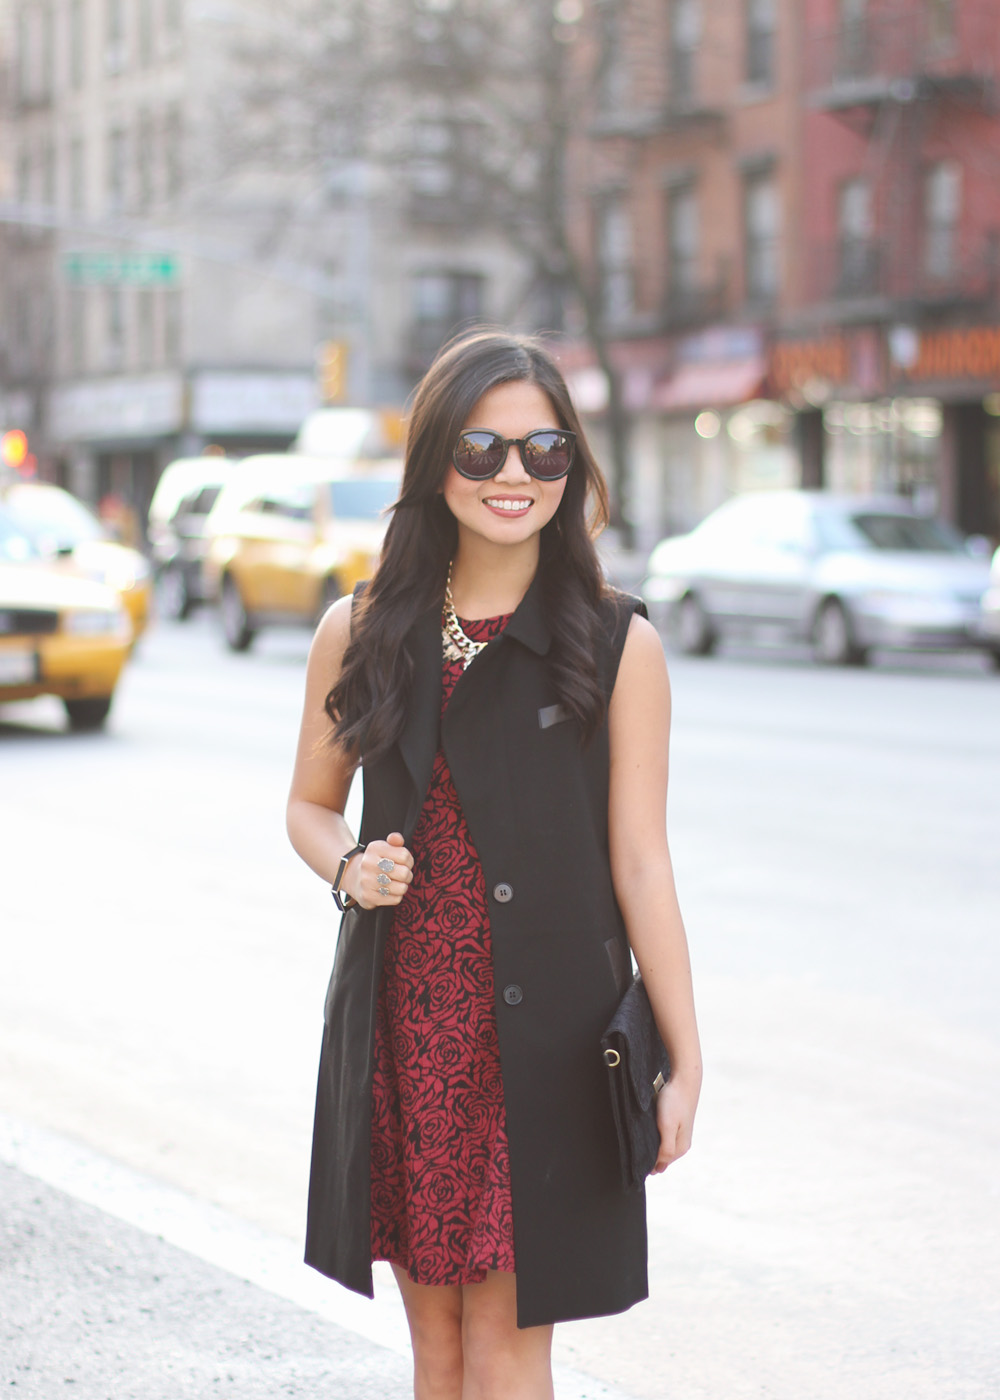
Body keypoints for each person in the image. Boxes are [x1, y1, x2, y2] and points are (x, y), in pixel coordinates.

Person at [286, 329, 702, 1400]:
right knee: (438, 1349)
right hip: (409, 1022)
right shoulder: (359, 629)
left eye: (543, 450)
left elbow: (642, 861)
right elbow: (309, 807)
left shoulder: (618, 644)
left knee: (512, 1347)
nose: (514, 474)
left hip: (554, 1038)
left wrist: (682, 1056)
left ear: (572, 467)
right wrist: (350, 869)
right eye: (482, 448)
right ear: (436, 460)